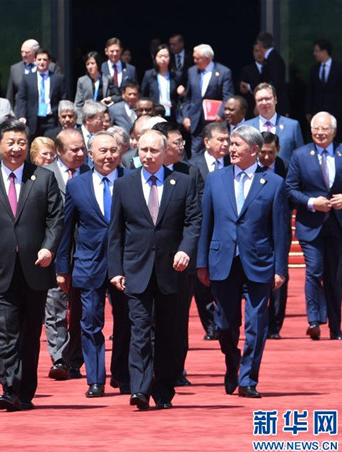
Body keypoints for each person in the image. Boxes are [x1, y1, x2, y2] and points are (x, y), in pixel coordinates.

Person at [0, 119, 64, 411]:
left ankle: (26, 391)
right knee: (5, 330)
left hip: (35, 267)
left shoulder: (44, 178)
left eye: (21, 142)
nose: (16, 148)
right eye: (10, 142)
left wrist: (49, 247)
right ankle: (9, 387)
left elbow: (55, 218)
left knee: (30, 331)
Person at [108, 129, 200, 410]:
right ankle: (140, 388)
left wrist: (185, 250)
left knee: (168, 333)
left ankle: (163, 390)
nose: (147, 156)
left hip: (171, 270)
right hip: (136, 269)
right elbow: (116, 231)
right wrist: (116, 269)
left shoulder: (183, 183)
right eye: (143, 150)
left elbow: (193, 222)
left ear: (165, 153)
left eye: (153, 151)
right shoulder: (124, 184)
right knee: (139, 330)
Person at [197, 124, 289, 399]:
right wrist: (202, 263)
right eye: (231, 144)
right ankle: (232, 359)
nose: (231, 149)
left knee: (256, 324)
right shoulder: (216, 179)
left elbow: (281, 231)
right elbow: (206, 223)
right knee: (225, 324)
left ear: (254, 149)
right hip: (223, 261)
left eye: (237, 144)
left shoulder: (273, 183)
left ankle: (248, 378)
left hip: (259, 263)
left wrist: (280, 269)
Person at [57, 131, 131, 397]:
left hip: (125, 264)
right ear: (91, 154)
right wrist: (62, 268)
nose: (109, 156)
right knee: (89, 322)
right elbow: (67, 229)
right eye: (103, 151)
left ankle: (122, 375)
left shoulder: (130, 180)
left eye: (113, 150)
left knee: (127, 322)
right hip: (89, 263)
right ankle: (95, 379)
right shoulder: (77, 185)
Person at [286, 112, 342, 341]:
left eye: (325, 129)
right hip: (310, 224)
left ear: (334, 131)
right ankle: (314, 321)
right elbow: (290, 188)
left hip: (338, 224)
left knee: (334, 276)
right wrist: (311, 202)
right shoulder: (300, 155)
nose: (320, 133)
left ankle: (335, 326)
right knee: (314, 270)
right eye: (316, 128)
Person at [153, 121, 202, 386]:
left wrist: (187, 251)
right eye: (177, 143)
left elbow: (196, 217)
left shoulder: (190, 172)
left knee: (178, 318)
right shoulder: (140, 171)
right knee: (148, 318)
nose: (182, 147)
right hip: (148, 258)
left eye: (183, 142)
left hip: (181, 258)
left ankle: (176, 369)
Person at [44, 128, 90, 380]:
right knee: (55, 306)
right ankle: (59, 358)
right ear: (59, 151)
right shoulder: (44, 175)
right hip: (53, 250)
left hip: (84, 252)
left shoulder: (92, 173)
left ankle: (74, 358)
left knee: (81, 309)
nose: (80, 153)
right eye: (74, 149)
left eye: (83, 148)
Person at [189, 122, 230, 340]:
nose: (225, 144)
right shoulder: (193, 166)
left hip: (227, 232)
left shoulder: (233, 163)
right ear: (207, 142)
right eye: (220, 139)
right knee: (201, 282)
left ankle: (225, 321)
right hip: (202, 232)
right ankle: (211, 325)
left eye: (227, 139)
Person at [259, 132, 289, 339]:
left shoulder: (285, 167)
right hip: (256, 228)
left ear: (278, 149)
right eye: (263, 152)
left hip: (279, 227)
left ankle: (275, 326)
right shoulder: (248, 168)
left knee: (279, 273)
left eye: (271, 152)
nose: (266, 157)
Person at [181, 44, 234, 156]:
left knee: (216, 152)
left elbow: (228, 97)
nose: (194, 61)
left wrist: (220, 114)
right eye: (194, 58)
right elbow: (188, 98)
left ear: (207, 58)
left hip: (215, 121)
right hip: (196, 121)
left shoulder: (223, 72)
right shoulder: (191, 71)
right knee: (196, 154)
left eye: (197, 58)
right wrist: (186, 117)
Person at [306, 39, 342, 142]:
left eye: (317, 51)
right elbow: (310, 92)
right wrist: (308, 111)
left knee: (337, 138)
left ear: (325, 51)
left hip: (337, 111)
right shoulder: (314, 69)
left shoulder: (340, 68)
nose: (314, 53)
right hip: (318, 111)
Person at [244, 83, 304, 164]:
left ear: (275, 99)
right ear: (256, 103)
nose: (264, 102)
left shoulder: (292, 126)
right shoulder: (246, 127)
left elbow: (300, 157)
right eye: (260, 100)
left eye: (267, 99)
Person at [15, 49, 68, 139]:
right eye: (39, 59)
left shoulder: (58, 79)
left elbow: (63, 99)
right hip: (33, 120)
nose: (42, 62)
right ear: (35, 61)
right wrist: (22, 116)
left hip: (51, 119)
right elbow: (21, 99)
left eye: (44, 60)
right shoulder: (27, 79)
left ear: (49, 61)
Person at [6, 39, 58, 109]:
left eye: (27, 52)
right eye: (22, 52)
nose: (23, 55)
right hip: (21, 111)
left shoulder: (50, 67)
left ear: (36, 53)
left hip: (44, 110)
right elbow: (10, 95)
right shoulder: (15, 69)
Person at [255, 32, 290, 116]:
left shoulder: (273, 59)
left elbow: (275, 83)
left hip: (277, 106)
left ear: (259, 45)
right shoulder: (271, 58)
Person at [141, 44, 178, 121]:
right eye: (160, 56)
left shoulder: (176, 75)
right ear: (155, 58)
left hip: (172, 113)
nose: (163, 59)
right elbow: (144, 94)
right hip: (154, 113)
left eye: (166, 56)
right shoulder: (149, 74)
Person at [239, 44, 265, 119]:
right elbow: (241, 87)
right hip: (251, 109)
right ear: (253, 53)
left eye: (261, 51)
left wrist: (250, 87)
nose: (259, 54)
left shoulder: (271, 68)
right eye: (256, 51)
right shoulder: (246, 70)